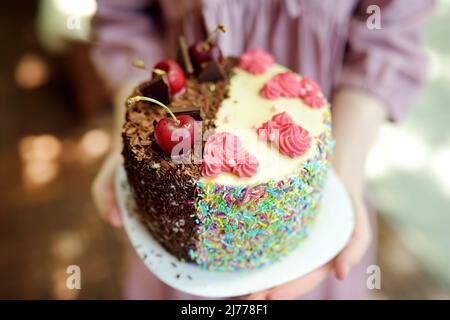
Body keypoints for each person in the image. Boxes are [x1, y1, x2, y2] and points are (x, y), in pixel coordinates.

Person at [90, 0, 434, 299]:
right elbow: (125, 18)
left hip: (329, 162)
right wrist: (133, 105)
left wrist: (341, 177)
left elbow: (388, 35)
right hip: (174, 252)